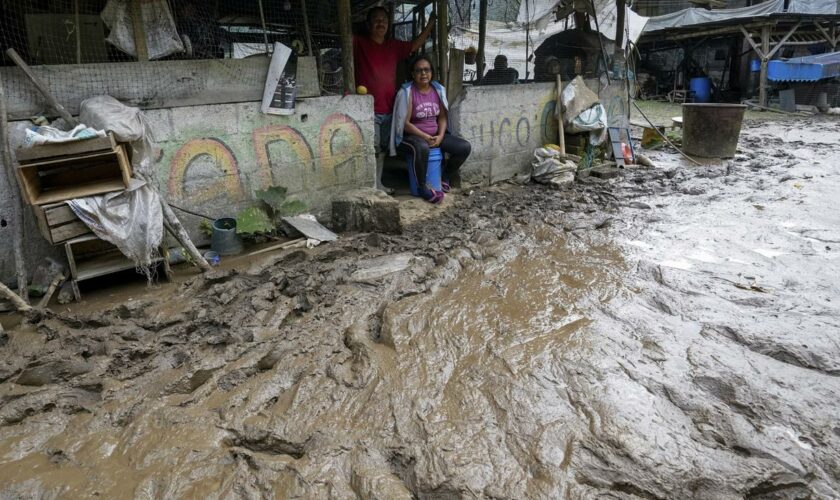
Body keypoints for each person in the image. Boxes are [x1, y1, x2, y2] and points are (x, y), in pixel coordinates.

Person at [353, 6, 435, 193]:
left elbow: (414, 45)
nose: (380, 23)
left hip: (389, 108)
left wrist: (430, 24)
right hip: (367, 109)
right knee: (370, 149)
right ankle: (369, 186)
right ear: (368, 24)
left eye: (384, 19)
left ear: (389, 24)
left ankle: (378, 184)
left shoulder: (393, 46)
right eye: (376, 19)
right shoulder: (358, 42)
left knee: (381, 149)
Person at [391, 55, 471, 203]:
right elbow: (405, 124)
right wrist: (425, 137)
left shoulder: (437, 90)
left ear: (432, 72)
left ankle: (445, 175)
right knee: (422, 147)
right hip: (411, 138)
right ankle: (422, 188)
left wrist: (440, 136)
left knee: (464, 147)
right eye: (419, 70)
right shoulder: (408, 92)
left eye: (427, 70)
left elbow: (441, 117)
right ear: (413, 74)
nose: (423, 74)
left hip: (434, 136)